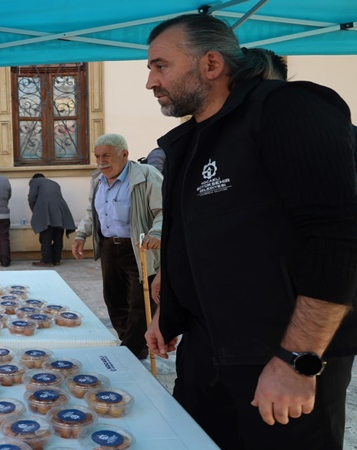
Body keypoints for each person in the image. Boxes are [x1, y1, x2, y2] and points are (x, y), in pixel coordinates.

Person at [143, 14, 357, 450]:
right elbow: (196, 234)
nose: (150, 81)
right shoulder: (193, 139)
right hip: (207, 361)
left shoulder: (287, 108)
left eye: (160, 65)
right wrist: (169, 305)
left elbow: (339, 236)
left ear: (211, 64)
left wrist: (297, 361)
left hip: (279, 362)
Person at [72, 133, 163, 359]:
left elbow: (165, 210)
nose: (101, 161)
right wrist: (81, 234)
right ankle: (134, 343)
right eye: (97, 156)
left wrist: (157, 232)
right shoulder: (97, 179)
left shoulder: (147, 175)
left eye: (107, 155)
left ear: (124, 154)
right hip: (110, 247)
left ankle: (129, 351)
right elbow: (92, 214)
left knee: (139, 302)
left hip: (139, 248)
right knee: (113, 298)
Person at [27, 173, 76, 267]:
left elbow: (31, 198)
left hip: (45, 212)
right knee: (58, 237)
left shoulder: (34, 182)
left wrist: (36, 211)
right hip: (61, 211)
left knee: (46, 238)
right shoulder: (54, 183)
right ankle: (57, 259)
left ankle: (47, 261)